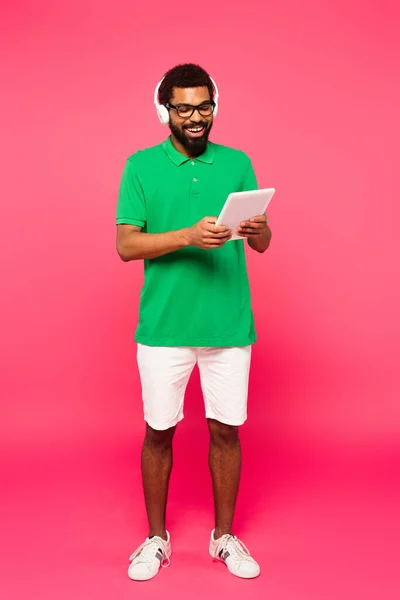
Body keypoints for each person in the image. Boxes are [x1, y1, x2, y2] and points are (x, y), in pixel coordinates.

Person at [116, 63, 272, 581]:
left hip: (229, 325)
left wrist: (258, 229)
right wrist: (186, 235)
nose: (195, 116)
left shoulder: (238, 162)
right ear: (166, 111)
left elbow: (264, 243)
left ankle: (224, 538)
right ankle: (155, 539)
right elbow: (125, 244)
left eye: (204, 106)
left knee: (225, 431)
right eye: (183, 107)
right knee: (159, 432)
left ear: (214, 106)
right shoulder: (140, 166)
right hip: (163, 329)